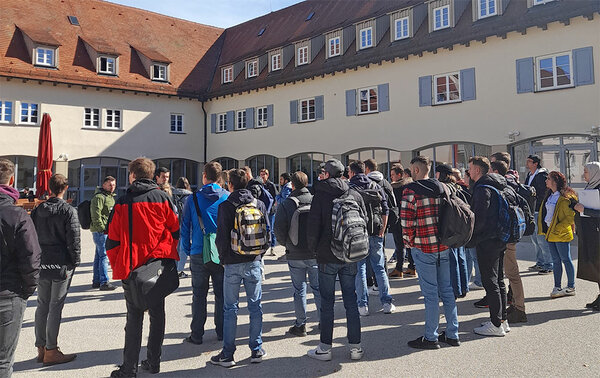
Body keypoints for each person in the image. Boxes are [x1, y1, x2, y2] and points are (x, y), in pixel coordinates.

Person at [106, 158, 180, 377]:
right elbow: (175, 230)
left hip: (132, 267)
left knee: (134, 318)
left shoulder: (122, 202)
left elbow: (113, 241)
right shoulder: (163, 198)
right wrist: (165, 254)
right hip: (156, 267)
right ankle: (153, 361)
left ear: (132, 175)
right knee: (157, 315)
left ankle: (129, 368)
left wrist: (118, 266)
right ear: (152, 175)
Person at [306, 159, 364, 361]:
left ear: (327, 174)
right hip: (350, 254)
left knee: (327, 302)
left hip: (326, 255)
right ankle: (355, 347)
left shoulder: (320, 195)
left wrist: (314, 250)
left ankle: (325, 348)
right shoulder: (354, 193)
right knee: (351, 300)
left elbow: (313, 227)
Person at [401, 156, 459, 349]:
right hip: (443, 245)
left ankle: (431, 337)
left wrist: (408, 243)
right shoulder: (443, 187)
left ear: (416, 171)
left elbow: (407, 221)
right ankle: (452, 333)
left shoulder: (411, 191)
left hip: (423, 246)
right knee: (447, 291)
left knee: (431, 294)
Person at [211, 169, 268, 367]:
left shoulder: (226, 205)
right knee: (255, 306)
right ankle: (256, 349)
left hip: (232, 263)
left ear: (230, 185)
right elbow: (266, 232)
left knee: (230, 309)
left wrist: (224, 258)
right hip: (253, 261)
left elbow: (221, 237)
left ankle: (228, 354)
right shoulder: (258, 203)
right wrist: (259, 254)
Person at [30, 174, 80, 366]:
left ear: (50, 187)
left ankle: (41, 348)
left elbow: (31, 236)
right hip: (61, 263)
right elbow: (74, 239)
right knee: (55, 306)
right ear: (65, 188)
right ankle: (51, 349)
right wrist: (74, 262)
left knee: (42, 304)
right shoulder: (68, 210)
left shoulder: (38, 209)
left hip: (42, 261)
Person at [0, 158, 41, 377]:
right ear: (12, 180)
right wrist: (26, 290)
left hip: (10, 292)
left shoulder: (17, 215)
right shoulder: (17, 215)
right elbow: (31, 258)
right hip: (8, 295)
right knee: (3, 362)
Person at [181, 163, 229, 345]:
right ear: (220, 178)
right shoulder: (227, 197)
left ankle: (197, 334)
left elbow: (185, 227)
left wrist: (188, 249)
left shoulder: (192, 199)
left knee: (199, 295)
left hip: (198, 251)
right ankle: (222, 331)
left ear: (204, 176)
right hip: (221, 252)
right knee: (221, 294)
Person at [273, 171, 321, 337]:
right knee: (317, 288)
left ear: (292, 185)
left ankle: (301, 325)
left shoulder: (287, 203)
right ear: (307, 183)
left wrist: (286, 244)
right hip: (315, 252)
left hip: (295, 253)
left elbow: (278, 228)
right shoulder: (316, 200)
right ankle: (323, 321)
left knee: (299, 290)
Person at [468, 156, 509, 337]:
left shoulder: (482, 188)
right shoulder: (498, 184)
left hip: (488, 240)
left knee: (490, 281)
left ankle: (495, 324)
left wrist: (471, 236)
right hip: (500, 237)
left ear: (477, 170)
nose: (468, 172)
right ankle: (501, 320)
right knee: (499, 280)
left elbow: (480, 218)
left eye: (470, 168)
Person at [350, 160, 394, 315]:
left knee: (360, 269)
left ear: (353, 172)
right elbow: (386, 209)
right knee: (379, 267)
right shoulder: (376, 186)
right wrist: (382, 228)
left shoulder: (350, 188)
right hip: (376, 231)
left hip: (358, 234)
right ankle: (387, 302)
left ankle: (362, 305)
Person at [490, 155, 528, 323]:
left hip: (507, 238)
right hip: (510, 236)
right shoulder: (509, 187)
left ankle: (520, 309)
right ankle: (515, 306)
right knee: (511, 274)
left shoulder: (502, 188)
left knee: (513, 274)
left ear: (496, 171)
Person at [538, 171, 578, 298]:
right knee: (556, 261)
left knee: (566, 259)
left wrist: (557, 228)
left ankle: (571, 286)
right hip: (550, 233)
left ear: (555, 181)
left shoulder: (566, 197)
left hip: (561, 234)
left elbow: (570, 217)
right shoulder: (549, 195)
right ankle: (557, 286)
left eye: (548, 179)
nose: (546, 181)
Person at [435, 164, 469, 298]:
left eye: (437, 173)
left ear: (441, 174)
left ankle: (455, 289)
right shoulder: (458, 187)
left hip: (449, 227)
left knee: (452, 259)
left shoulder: (444, 188)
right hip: (460, 226)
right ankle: (463, 287)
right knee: (461, 258)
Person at [573, 162, 600, 311]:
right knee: (595, 266)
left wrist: (585, 210)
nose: (584, 174)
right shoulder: (590, 188)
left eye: (586, 171)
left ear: (595, 173)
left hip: (597, 234)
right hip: (589, 233)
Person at [525, 155, 552, 274]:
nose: (527, 163)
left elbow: (543, 193)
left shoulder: (541, 176)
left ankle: (548, 264)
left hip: (539, 210)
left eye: (529, 161)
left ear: (535, 163)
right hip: (531, 210)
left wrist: (537, 202)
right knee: (535, 239)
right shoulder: (530, 175)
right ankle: (540, 262)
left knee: (541, 238)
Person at [90, 176, 117, 291]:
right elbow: (96, 214)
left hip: (105, 230)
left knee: (99, 256)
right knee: (104, 256)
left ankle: (96, 280)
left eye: (114, 185)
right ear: (104, 185)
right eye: (110, 185)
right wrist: (101, 228)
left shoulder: (110, 197)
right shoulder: (99, 197)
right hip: (101, 231)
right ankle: (104, 281)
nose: (112, 187)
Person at [388, 163, 412, 278]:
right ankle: (412, 267)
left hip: (398, 219)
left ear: (399, 175)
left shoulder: (395, 188)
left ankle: (399, 268)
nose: (391, 177)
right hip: (408, 218)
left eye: (393, 174)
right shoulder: (409, 185)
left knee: (399, 245)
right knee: (409, 244)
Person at [463, 170, 483, 292]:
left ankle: (479, 280)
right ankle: (469, 279)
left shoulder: (473, 190)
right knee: (470, 256)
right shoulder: (470, 189)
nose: (463, 178)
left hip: (474, 229)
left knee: (474, 256)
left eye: (465, 176)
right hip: (472, 229)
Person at [172, 177, 193, 278]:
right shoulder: (190, 196)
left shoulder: (172, 195)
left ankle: (174, 268)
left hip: (174, 223)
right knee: (183, 248)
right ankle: (180, 269)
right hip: (186, 224)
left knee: (175, 246)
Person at [260, 169, 279, 248]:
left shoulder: (271, 185)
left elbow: (276, 196)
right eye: (261, 174)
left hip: (270, 211)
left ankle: (272, 246)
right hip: (262, 210)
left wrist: (272, 206)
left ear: (267, 175)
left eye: (264, 174)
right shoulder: (260, 185)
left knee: (271, 229)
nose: (262, 176)